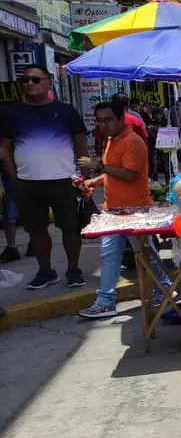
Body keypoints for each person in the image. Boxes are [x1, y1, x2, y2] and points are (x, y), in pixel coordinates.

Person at [76, 102, 172, 318]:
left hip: (135, 210)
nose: (103, 125)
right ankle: (106, 301)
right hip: (114, 210)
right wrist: (97, 181)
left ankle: (163, 289)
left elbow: (129, 174)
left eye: (108, 119)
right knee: (110, 255)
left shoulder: (134, 141)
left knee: (145, 254)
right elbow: (115, 171)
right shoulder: (112, 140)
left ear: (121, 118)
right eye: (99, 121)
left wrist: (97, 166)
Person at [0, 65, 89, 289]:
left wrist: (83, 177)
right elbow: (4, 149)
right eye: (25, 80)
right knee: (36, 230)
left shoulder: (67, 111)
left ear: (48, 82)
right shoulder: (11, 113)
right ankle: (46, 271)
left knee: (70, 228)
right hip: (28, 183)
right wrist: (15, 179)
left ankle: (74, 270)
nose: (30, 83)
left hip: (64, 180)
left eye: (35, 79)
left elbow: (81, 146)